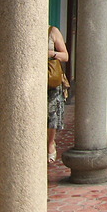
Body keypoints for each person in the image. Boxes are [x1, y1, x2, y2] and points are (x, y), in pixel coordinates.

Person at [47, 25, 69, 163]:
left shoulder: (52, 31)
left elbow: (65, 56)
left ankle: (50, 143)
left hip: (51, 78)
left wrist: (51, 53)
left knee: (52, 113)